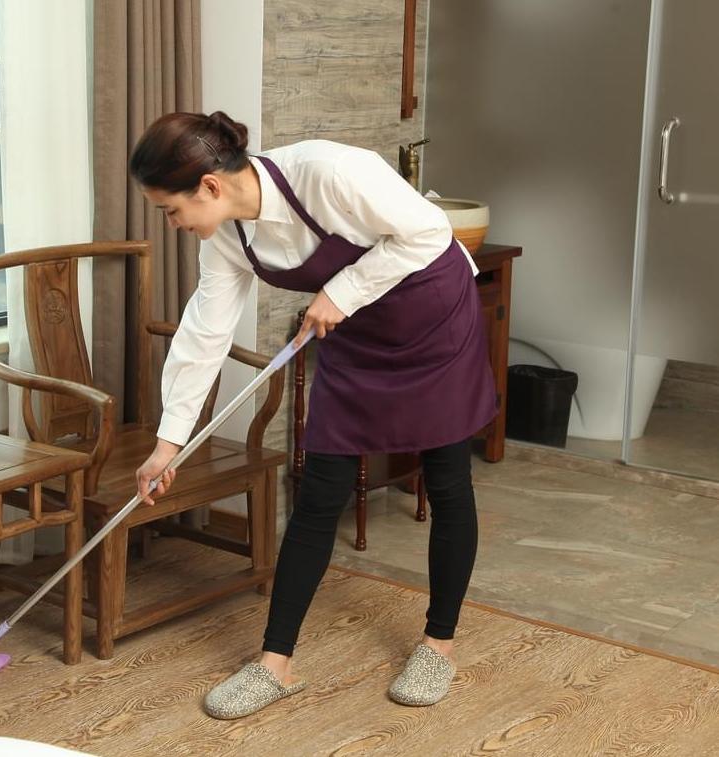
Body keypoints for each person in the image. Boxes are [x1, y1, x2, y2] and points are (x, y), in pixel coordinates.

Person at [129, 111, 497, 719]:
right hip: (355, 330)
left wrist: (342, 292)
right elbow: (204, 336)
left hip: (432, 318)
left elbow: (430, 231)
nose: (173, 224)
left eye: (171, 210)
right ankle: (275, 664)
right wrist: (169, 444)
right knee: (320, 491)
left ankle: (439, 646)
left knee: (447, 479)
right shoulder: (226, 237)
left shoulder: (328, 172)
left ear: (210, 186)